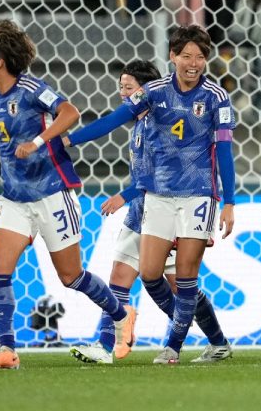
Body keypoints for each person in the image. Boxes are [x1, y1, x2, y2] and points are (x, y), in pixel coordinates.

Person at [0, 20, 135, 369]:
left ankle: (121, 315)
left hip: (53, 192)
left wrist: (38, 142)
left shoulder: (31, 88)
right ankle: (7, 350)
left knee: (71, 276)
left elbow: (70, 112)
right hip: (14, 197)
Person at [63, 25, 236, 365]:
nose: (193, 63)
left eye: (200, 57)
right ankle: (210, 337)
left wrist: (229, 201)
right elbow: (115, 119)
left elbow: (225, 152)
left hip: (198, 195)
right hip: (157, 197)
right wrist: (70, 140)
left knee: (186, 277)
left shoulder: (216, 97)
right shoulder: (153, 92)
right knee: (151, 273)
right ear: (172, 57)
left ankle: (173, 346)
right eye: (186, 56)